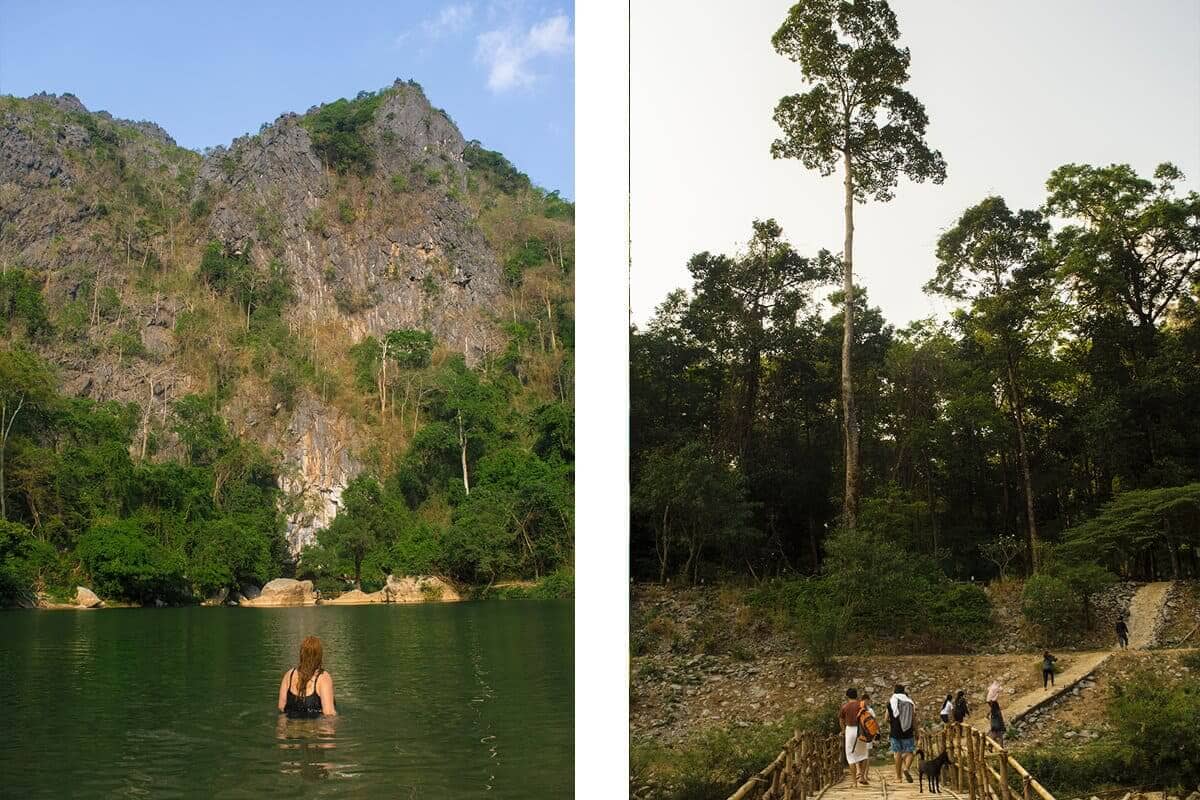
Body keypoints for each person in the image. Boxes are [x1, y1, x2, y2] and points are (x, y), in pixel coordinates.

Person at [278, 635, 338, 718]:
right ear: (319, 655)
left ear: (301, 654)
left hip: (292, 728)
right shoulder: (323, 678)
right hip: (313, 729)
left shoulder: (289, 675)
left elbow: (281, 707)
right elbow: (329, 713)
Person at [839, 688, 870, 786]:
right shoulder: (862, 704)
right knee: (864, 754)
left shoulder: (844, 707)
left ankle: (854, 782)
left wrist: (843, 730)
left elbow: (841, 720)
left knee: (850, 756)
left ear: (847, 696)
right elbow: (867, 716)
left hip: (850, 730)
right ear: (856, 695)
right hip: (861, 730)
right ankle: (862, 776)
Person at [887, 684, 916, 783]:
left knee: (897, 753)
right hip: (908, 730)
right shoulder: (910, 702)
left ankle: (898, 778)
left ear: (894, 691)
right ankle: (906, 768)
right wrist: (916, 730)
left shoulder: (891, 702)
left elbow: (886, 718)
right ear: (903, 691)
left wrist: (892, 722)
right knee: (910, 752)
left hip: (895, 731)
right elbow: (913, 718)